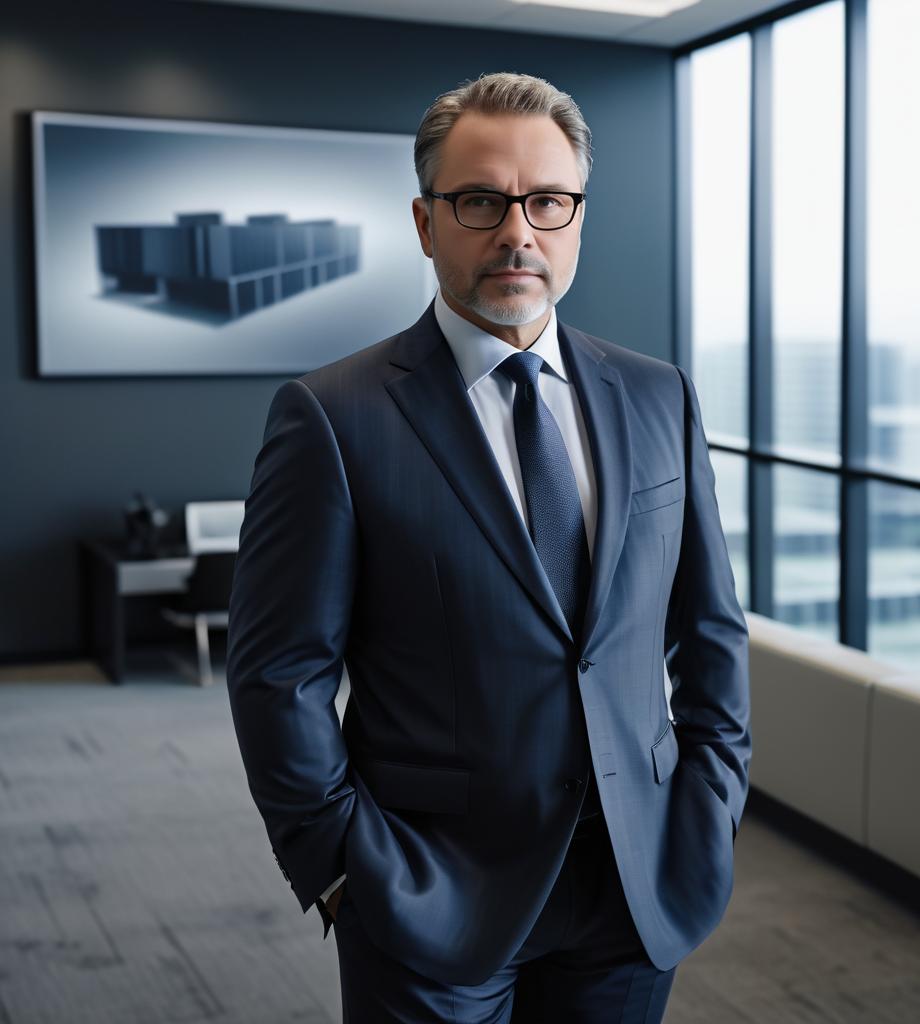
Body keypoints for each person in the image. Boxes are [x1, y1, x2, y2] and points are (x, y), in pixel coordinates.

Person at [226, 71, 751, 1024]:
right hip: (429, 898)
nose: (519, 232)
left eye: (548, 201)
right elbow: (278, 674)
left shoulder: (657, 395)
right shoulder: (332, 416)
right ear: (427, 224)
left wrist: (706, 813)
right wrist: (340, 867)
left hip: (634, 888)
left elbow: (710, 630)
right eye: (481, 201)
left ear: (577, 218)